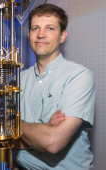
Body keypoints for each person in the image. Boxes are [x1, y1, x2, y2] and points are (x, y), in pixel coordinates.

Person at [13, 3, 95, 170]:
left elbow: (52, 142)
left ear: (62, 36)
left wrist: (14, 124)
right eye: (35, 28)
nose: (41, 35)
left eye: (50, 28)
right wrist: (42, 130)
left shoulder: (79, 76)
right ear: (29, 35)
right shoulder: (18, 80)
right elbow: (5, 139)